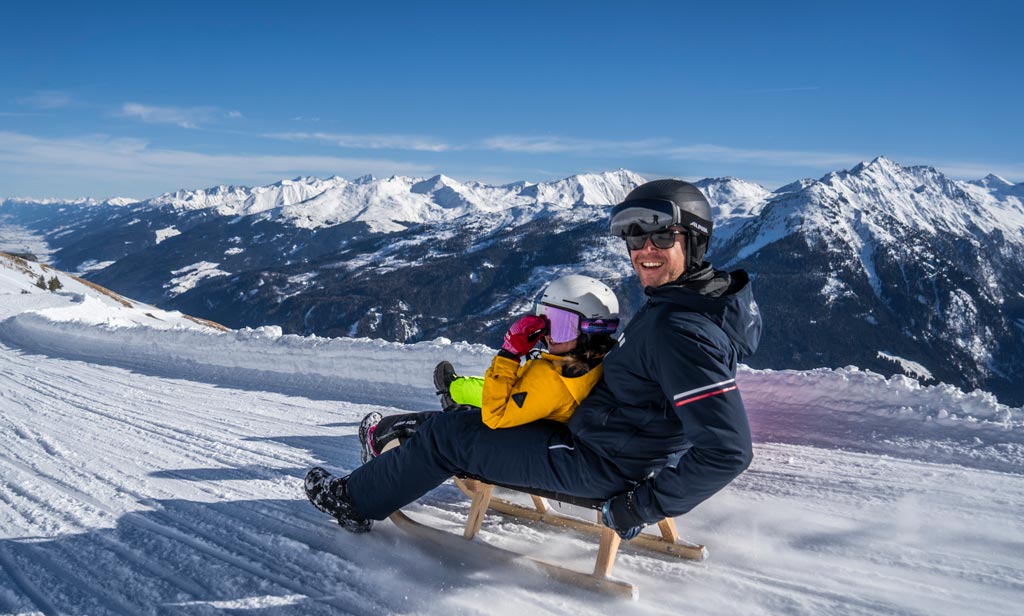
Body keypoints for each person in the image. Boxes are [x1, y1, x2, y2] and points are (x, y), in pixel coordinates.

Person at [305, 179, 761, 540]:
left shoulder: (679, 329)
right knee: (476, 415)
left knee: (451, 434)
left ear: (694, 241)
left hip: (599, 463)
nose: (644, 250)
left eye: (662, 235)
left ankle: (354, 502)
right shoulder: (691, 301)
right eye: (635, 237)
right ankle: (399, 454)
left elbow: (728, 450)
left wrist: (637, 507)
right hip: (605, 440)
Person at [356, 274, 621, 462]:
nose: (549, 334)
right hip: (541, 433)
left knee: (439, 424)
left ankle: (377, 436)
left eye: (561, 325)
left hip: (518, 445)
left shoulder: (555, 376)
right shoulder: (595, 365)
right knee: (480, 402)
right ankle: (456, 394)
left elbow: (496, 413)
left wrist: (509, 353)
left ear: (591, 331)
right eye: (547, 321)